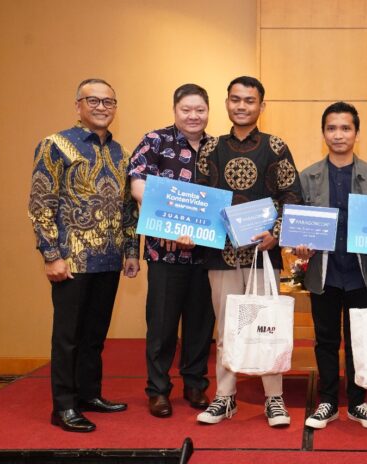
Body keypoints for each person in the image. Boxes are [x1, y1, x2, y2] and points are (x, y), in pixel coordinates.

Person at [28, 78, 139, 433]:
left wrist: (131, 250)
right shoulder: (55, 145)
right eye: (94, 101)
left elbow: (128, 208)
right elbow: (41, 202)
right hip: (71, 260)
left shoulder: (121, 153)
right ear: (78, 105)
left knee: (95, 335)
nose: (102, 107)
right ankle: (63, 406)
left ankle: (89, 395)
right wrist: (51, 254)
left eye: (109, 102)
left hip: (109, 259)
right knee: (68, 337)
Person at [195, 76, 303, 427]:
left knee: (266, 326)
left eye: (250, 100)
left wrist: (276, 233)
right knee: (226, 329)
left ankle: (274, 399)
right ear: (227, 102)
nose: (242, 106)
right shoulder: (210, 148)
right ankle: (225, 397)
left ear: (261, 106)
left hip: (262, 256)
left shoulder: (276, 147)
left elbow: (292, 196)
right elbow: (199, 199)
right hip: (221, 256)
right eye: (236, 99)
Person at [295, 102, 367, 430]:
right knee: (325, 340)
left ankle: (358, 402)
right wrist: (300, 245)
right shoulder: (308, 177)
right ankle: (328, 402)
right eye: (332, 128)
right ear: (323, 133)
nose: (338, 134)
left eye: (345, 128)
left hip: (361, 272)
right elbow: (297, 226)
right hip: (324, 271)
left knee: (359, 339)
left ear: (356, 133)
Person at [128, 84, 215, 418]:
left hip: (206, 253)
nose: (193, 116)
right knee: (162, 325)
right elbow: (138, 185)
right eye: (186, 109)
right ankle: (158, 390)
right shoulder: (155, 141)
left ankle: (195, 384)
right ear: (175, 110)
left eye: (200, 110)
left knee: (201, 325)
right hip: (165, 252)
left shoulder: (216, 147)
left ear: (208, 111)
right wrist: (170, 224)